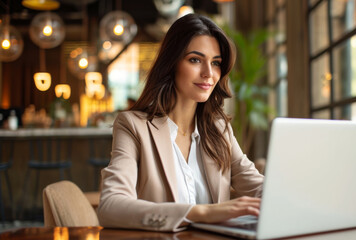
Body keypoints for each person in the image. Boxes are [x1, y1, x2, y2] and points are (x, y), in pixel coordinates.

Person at [97, 13, 264, 232]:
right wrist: (202, 213)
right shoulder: (133, 126)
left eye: (216, 63)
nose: (208, 73)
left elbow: (257, 186)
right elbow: (110, 206)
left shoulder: (218, 129)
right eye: (195, 60)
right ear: (172, 63)